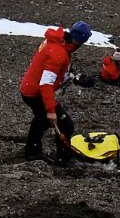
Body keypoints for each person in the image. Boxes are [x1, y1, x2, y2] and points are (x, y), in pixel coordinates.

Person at [19, 20, 92, 161]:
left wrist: (71, 78)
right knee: (65, 124)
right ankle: (62, 159)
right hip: (35, 93)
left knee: (41, 119)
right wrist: (51, 110)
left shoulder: (56, 42)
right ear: (78, 41)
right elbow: (46, 83)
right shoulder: (58, 53)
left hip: (29, 87)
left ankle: (32, 151)